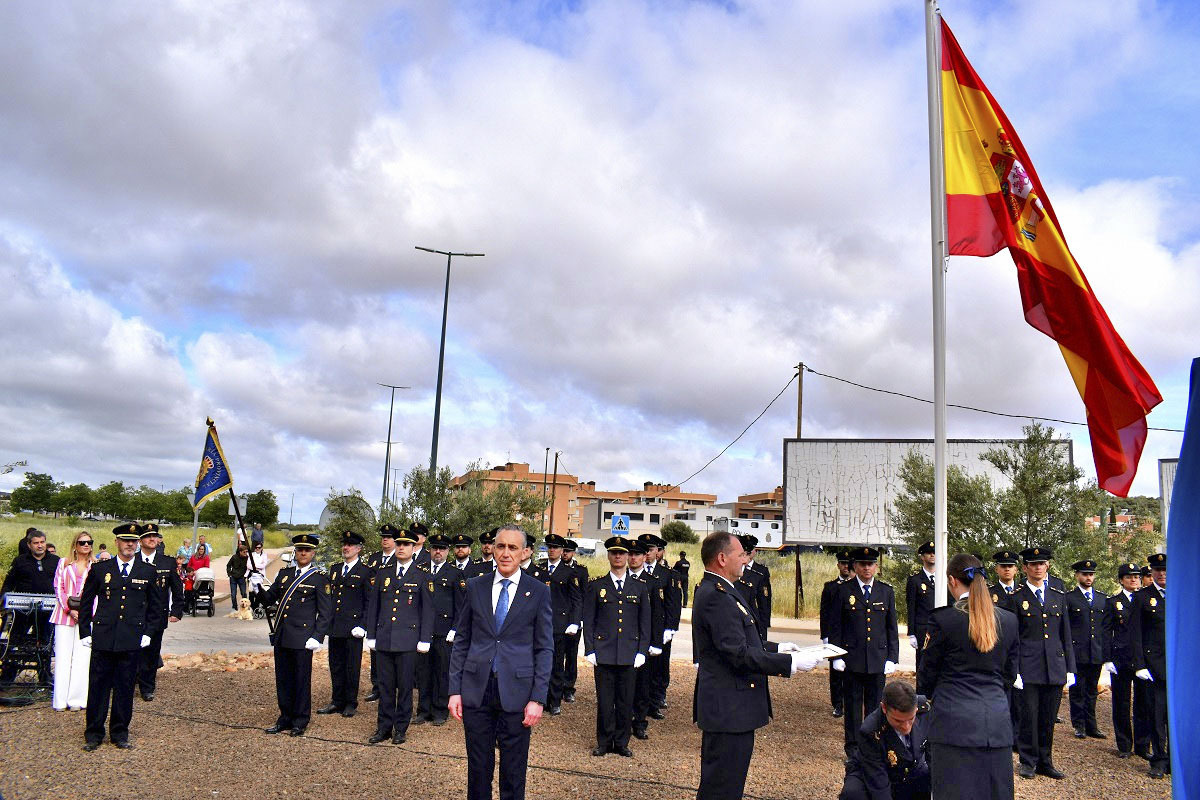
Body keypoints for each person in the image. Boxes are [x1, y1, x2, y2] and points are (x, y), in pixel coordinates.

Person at [692, 531, 818, 800]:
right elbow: (737, 653)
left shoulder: (724, 590)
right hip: (728, 710)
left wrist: (777, 648)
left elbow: (741, 639)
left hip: (733, 709)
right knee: (722, 787)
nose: (745, 561)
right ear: (722, 558)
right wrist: (790, 663)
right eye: (741, 555)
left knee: (729, 784)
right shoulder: (716, 595)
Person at [448, 524, 553, 800]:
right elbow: (462, 640)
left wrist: (538, 698)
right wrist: (455, 690)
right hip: (476, 690)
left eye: (513, 547)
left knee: (514, 770)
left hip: (517, 693)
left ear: (525, 552)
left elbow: (544, 649)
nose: (506, 553)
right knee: (478, 767)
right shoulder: (475, 586)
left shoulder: (538, 591)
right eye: (501, 546)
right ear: (493, 549)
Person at [916, 553, 1018, 799]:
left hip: (953, 723)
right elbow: (1009, 674)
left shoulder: (943, 620)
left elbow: (927, 676)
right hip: (995, 721)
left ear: (952, 581)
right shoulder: (1009, 620)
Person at [77, 523, 163, 750]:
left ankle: (120, 733)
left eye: (134, 541)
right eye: (126, 540)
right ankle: (94, 734)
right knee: (98, 687)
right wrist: (85, 632)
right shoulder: (100, 569)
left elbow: (156, 608)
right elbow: (85, 603)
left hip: (131, 638)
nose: (130, 545)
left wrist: (148, 633)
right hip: (104, 637)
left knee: (125, 688)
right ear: (117, 542)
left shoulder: (147, 571)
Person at [364, 525, 432, 745]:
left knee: (404, 688)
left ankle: (400, 729)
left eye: (406, 544)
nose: (401, 547)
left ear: (414, 548)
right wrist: (371, 635)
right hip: (384, 639)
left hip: (408, 641)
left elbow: (428, 611)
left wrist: (424, 639)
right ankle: (383, 727)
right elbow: (373, 607)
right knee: (385, 686)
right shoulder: (383, 573)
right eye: (399, 544)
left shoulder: (422, 576)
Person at [583, 536, 651, 757]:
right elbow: (589, 620)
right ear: (609, 556)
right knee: (604, 701)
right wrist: (590, 649)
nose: (619, 556)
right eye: (614, 553)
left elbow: (645, 622)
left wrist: (642, 651)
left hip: (629, 654)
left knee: (625, 700)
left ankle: (622, 742)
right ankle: (604, 741)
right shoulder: (596, 586)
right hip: (604, 653)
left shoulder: (639, 587)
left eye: (622, 553)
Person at [830, 546, 899, 760]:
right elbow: (836, 627)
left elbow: (891, 628)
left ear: (876, 567)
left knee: (875, 706)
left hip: (877, 659)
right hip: (852, 658)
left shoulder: (885, 591)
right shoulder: (843, 591)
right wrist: (836, 656)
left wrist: (892, 658)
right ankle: (852, 747)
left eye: (870, 564)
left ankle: (872, 745)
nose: (867, 568)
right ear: (855, 567)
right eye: (862, 564)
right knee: (852, 706)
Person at [1011, 545, 1074, 779]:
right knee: (1029, 716)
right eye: (1033, 564)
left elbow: (1065, 634)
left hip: (1054, 666)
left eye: (1042, 564)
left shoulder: (1058, 596)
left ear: (1047, 566)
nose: (1038, 567)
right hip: (1028, 667)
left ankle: (1046, 761)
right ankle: (1028, 761)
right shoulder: (1017, 598)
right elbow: (1013, 638)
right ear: (1025, 568)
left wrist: (1070, 668)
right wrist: (1014, 670)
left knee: (1048, 718)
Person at [261, 533, 331, 737]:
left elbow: (325, 612)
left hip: (303, 638)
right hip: (283, 635)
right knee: (283, 679)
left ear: (313, 553)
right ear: (296, 552)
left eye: (307, 550)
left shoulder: (319, 579)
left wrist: (317, 637)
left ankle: (300, 720)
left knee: (301, 680)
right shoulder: (284, 574)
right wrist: (256, 585)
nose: (303, 553)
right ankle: (285, 718)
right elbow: (268, 599)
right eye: (300, 549)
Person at [839, 681, 932, 800]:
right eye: (898, 721)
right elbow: (877, 779)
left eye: (911, 719)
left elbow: (933, 756)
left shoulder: (925, 711)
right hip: (873, 772)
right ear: (884, 708)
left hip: (910, 771)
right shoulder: (871, 730)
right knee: (853, 794)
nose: (906, 727)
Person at [1102, 562, 1152, 760]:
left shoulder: (1146, 600)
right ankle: (1124, 744)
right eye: (1129, 576)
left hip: (1142, 659)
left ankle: (1142, 745)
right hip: (1121, 658)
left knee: (1143, 703)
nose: (1134, 579)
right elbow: (1106, 632)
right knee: (1121, 702)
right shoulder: (1113, 602)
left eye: (1137, 576)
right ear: (1121, 580)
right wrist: (1107, 659)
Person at [318, 531, 371, 719]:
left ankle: (350, 702)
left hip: (353, 628)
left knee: (351, 666)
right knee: (336, 665)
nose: (346, 548)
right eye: (344, 544)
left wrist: (363, 626)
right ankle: (336, 700)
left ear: (358, 548)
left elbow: (369, 602)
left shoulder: (365, 572)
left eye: (350, 545)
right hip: (335, 626)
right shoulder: (335, 569)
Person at [416, 533, 466, 725]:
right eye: (435, 548)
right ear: (430, 549)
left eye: (442, 548)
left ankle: (439, 710)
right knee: (423, 671)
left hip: (445, 632)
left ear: (448, 551)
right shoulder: (420, 570)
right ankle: (423, 709)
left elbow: (461, 606)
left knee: (442, 671)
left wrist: (455, 628)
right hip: (423, 631)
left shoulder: (454, 573)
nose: (438, 552)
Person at [0, 528, 60, 684]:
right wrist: (4, 600)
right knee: (16, 641)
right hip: (22, 610)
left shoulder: (55, 561)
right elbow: (8, 584)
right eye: (36, 543)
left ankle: (44, 675)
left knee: (46, 642)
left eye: (42, 542)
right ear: (29, 544)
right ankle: (8, 676)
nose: (40, 546)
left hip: (47, 611)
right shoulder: (20, 561)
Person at [135, 523, 184, 702]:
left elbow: (177, 588)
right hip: (135, 613)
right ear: (140, 541)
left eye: (155, 536)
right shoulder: (133, 559)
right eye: (148, 536)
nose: (152, 539)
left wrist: (177, 610)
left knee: (152, 651)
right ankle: (133, 679)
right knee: (133, 649)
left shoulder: (167, 562)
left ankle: (147, 687)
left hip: (157, 614)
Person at [1130, 552, 1168, 779]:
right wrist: (1139, 664)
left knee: (1176, 716)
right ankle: (1159, 759)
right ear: (1151, 572)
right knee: (1156, 715)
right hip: (1154, 666)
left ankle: (1175, 759)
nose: (1162, 574)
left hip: (1179, 668)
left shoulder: (1182, 594)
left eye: (1165, 570)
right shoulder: (1143, 597)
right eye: (1157, 570)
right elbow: (1134, 634)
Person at [51, 530, 95, 711]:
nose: (86, 545)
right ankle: (60, 700)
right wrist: (69, 610)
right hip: (63, 616)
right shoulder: (64, 563)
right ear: (75, 545)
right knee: (63, 657)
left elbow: (97, 594)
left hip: (86, 617)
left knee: (82, 658)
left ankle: (77, 699)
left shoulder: (96, 566)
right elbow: (58, 587)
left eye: (89, 542)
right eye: (82, 542)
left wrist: (85, 613)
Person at [539, 533, 582, 716]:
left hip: (559, 624)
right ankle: (541, 699)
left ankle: (554, 700)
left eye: (555, 547)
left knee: (557, 665)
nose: (552, 550)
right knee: (540, 664)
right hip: (541, 623)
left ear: (561, 550)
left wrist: (574, 622)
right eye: (549, 547)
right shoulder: (540, 570)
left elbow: (576, 599)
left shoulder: (570, 572)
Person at [627, 537, 665, 741]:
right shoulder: (620, 578)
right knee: (624, 685)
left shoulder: (652, 583)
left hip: (644, 641)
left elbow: (657, 615)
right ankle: (622, 721)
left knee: (643, 685)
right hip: (624, 641)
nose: (633, 558)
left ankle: (640, 723)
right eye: (630, 554)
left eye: (637, 554)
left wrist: (656, 642)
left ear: (644, 557)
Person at [1065, 558, 1107, 739]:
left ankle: (1092, 725)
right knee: (1077, 690)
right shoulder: (1069, 598)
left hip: (1095, 651)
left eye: (1091, 574)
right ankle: (1079, 725)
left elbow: (1105, 628)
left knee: (1092, 691)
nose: (1088, 577)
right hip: (1077, 652)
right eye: (1085, 574)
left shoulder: (1102, 598)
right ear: (1077, 575)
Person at [642, 533, 681, 714]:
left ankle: (656, 700)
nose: (648, 554)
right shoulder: (634, 573)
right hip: (641, 627)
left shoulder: (668, 575)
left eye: (650, 550)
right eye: (645, 550)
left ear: (657, 551)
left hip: (661, 628)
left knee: (660, 666)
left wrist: (671, 628)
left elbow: (673, 604)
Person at [363, 522, 401, 703]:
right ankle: (377, 686)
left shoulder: (399, 560)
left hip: (391, 609)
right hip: (375, 607)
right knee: (375, 651)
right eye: (383, 537)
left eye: (388, 538)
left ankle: (392, 686)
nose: (385, 540)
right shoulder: (374, 558)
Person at [821, 550, 853, 718]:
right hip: (835, 635)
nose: (846, 566)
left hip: (852, 636)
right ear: (838, 565)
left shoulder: (856, 588)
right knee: (836, 673)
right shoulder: (831, 587)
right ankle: (838, 704)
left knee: (852, 672)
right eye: (843, 563)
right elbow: (824, 613)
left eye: (848, 563)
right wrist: (825, 635)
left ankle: (850, 703)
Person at [561, 539, 588, 703]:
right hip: (558, 618)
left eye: (568, 551)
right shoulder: (557, 569)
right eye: (563, 550)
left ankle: (569, 687)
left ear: (573, 553)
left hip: (574, 618)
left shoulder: (581, 571)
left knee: (571, 655)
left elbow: (585, 595)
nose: (565, 554)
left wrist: (580, 619)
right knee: (556, 655)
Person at [905, 541, 936, 671]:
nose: (932, 555)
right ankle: (921, 692)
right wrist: (911, 633)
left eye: (934, 553)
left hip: (941, 627)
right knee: (923, 665)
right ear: (922, 556)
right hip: (923, 629)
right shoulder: (915, 580)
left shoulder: (945, 579)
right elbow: (911, 607)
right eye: (929, 553)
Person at [735, 535, 771, 641]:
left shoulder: (760, 572)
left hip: (754, 619)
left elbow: (764, 601)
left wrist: (763, 625)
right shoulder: (733, 570)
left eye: (750, 549)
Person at [226, 543, 250, 612]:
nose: (245, 553)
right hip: (233, 577)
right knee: (233, 594)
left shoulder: (247, 558)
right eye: (244, 552)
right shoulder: (234, 557)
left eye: (246, 552)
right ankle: (234, 607)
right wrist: (229, 574)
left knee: (244, 593)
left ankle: (245, 607)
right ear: (240, 552)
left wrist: (246, 576)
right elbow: (228, 565)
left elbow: (249, 567)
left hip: (242, 578)